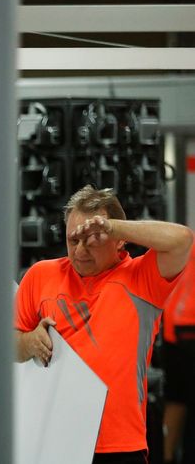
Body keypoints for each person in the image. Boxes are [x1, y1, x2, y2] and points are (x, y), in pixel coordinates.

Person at [14, 185, 193, 464]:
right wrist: (27, 342)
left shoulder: (141, 278)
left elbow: (182, 239)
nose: (80, 250)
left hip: (118, 447)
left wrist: (114, 226)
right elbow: (4, 346)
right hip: (52, 439)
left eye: (93, 239)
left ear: (118, 240)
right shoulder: (40, 275)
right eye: (73, 240)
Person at [162, 234, 195, 464]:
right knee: (180, 399)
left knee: (177, 399)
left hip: (175, 326)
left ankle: (167, 456)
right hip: (186, 328)